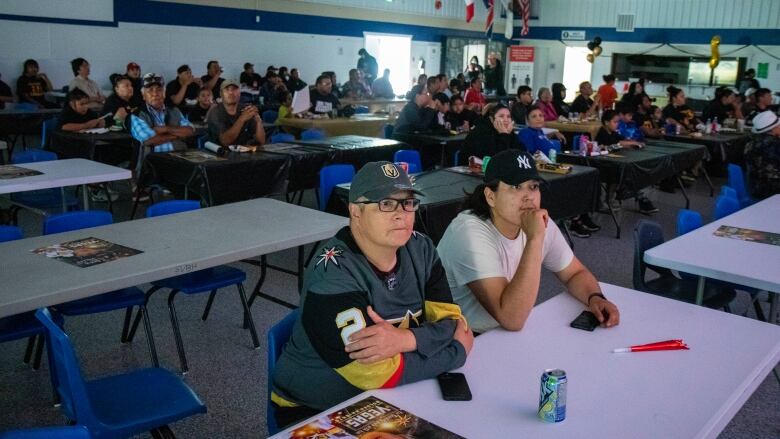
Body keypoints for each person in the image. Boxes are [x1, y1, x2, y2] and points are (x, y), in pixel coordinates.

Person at [271, 161, 473, 426]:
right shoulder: (332, 274)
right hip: (316, 408)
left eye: (408, 203)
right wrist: (456, 353)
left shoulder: (421, 248)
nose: (402, 214)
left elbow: (452, 321)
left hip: (393, 396)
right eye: (386, 204)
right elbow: (375, 374)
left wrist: (405, 340)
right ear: (355, 211)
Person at [436, 149, 620, 334]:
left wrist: (595, 297)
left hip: (505, 336)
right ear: (491, 196)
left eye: (533, 186)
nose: (529, 196)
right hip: (459, 339)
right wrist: (535, 239)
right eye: (516, 187)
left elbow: (574, 273)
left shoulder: (535, 222)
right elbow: (511, 318)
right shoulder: (469, 232)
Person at [596, 110, 657, 215]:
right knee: (626, 174)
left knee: (631, 172)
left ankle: (638, 197)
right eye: (614, 122)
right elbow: (617, 143)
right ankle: (636, 198)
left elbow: (622, 140)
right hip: (603, 165)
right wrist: (633, 143)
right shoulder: (602, 133)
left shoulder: (613, 133)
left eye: (618, 122)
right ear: (606, 122)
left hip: (615, 163)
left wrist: (634, 143)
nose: (617, 124)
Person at [130, 73, 194, 168]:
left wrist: (166, 129)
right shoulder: (138, 114)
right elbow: (149, 140)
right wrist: (177, 135)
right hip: (152, 167)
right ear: (143, 95)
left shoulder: (174, 110)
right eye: (150, 90)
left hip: (179, 161)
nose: (155, 94)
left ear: (164, 93)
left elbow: (190, 131)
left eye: (159, 90)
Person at [207, 79, 265, 147]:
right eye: (227, 89)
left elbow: (261, 142)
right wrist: (242, 119)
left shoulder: (246, 109)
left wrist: (258, 121)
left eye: (234, 89)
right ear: (221, 93)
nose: (231, 92)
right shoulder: (215, 112)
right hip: (220, 154)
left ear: (239, 92)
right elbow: (225, 141)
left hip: (244, 153)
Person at [745, 111, 780, 199]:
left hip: (754, 186)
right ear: (774, 129)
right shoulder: (775, 145)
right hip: (773, 190)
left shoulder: (750, 143)